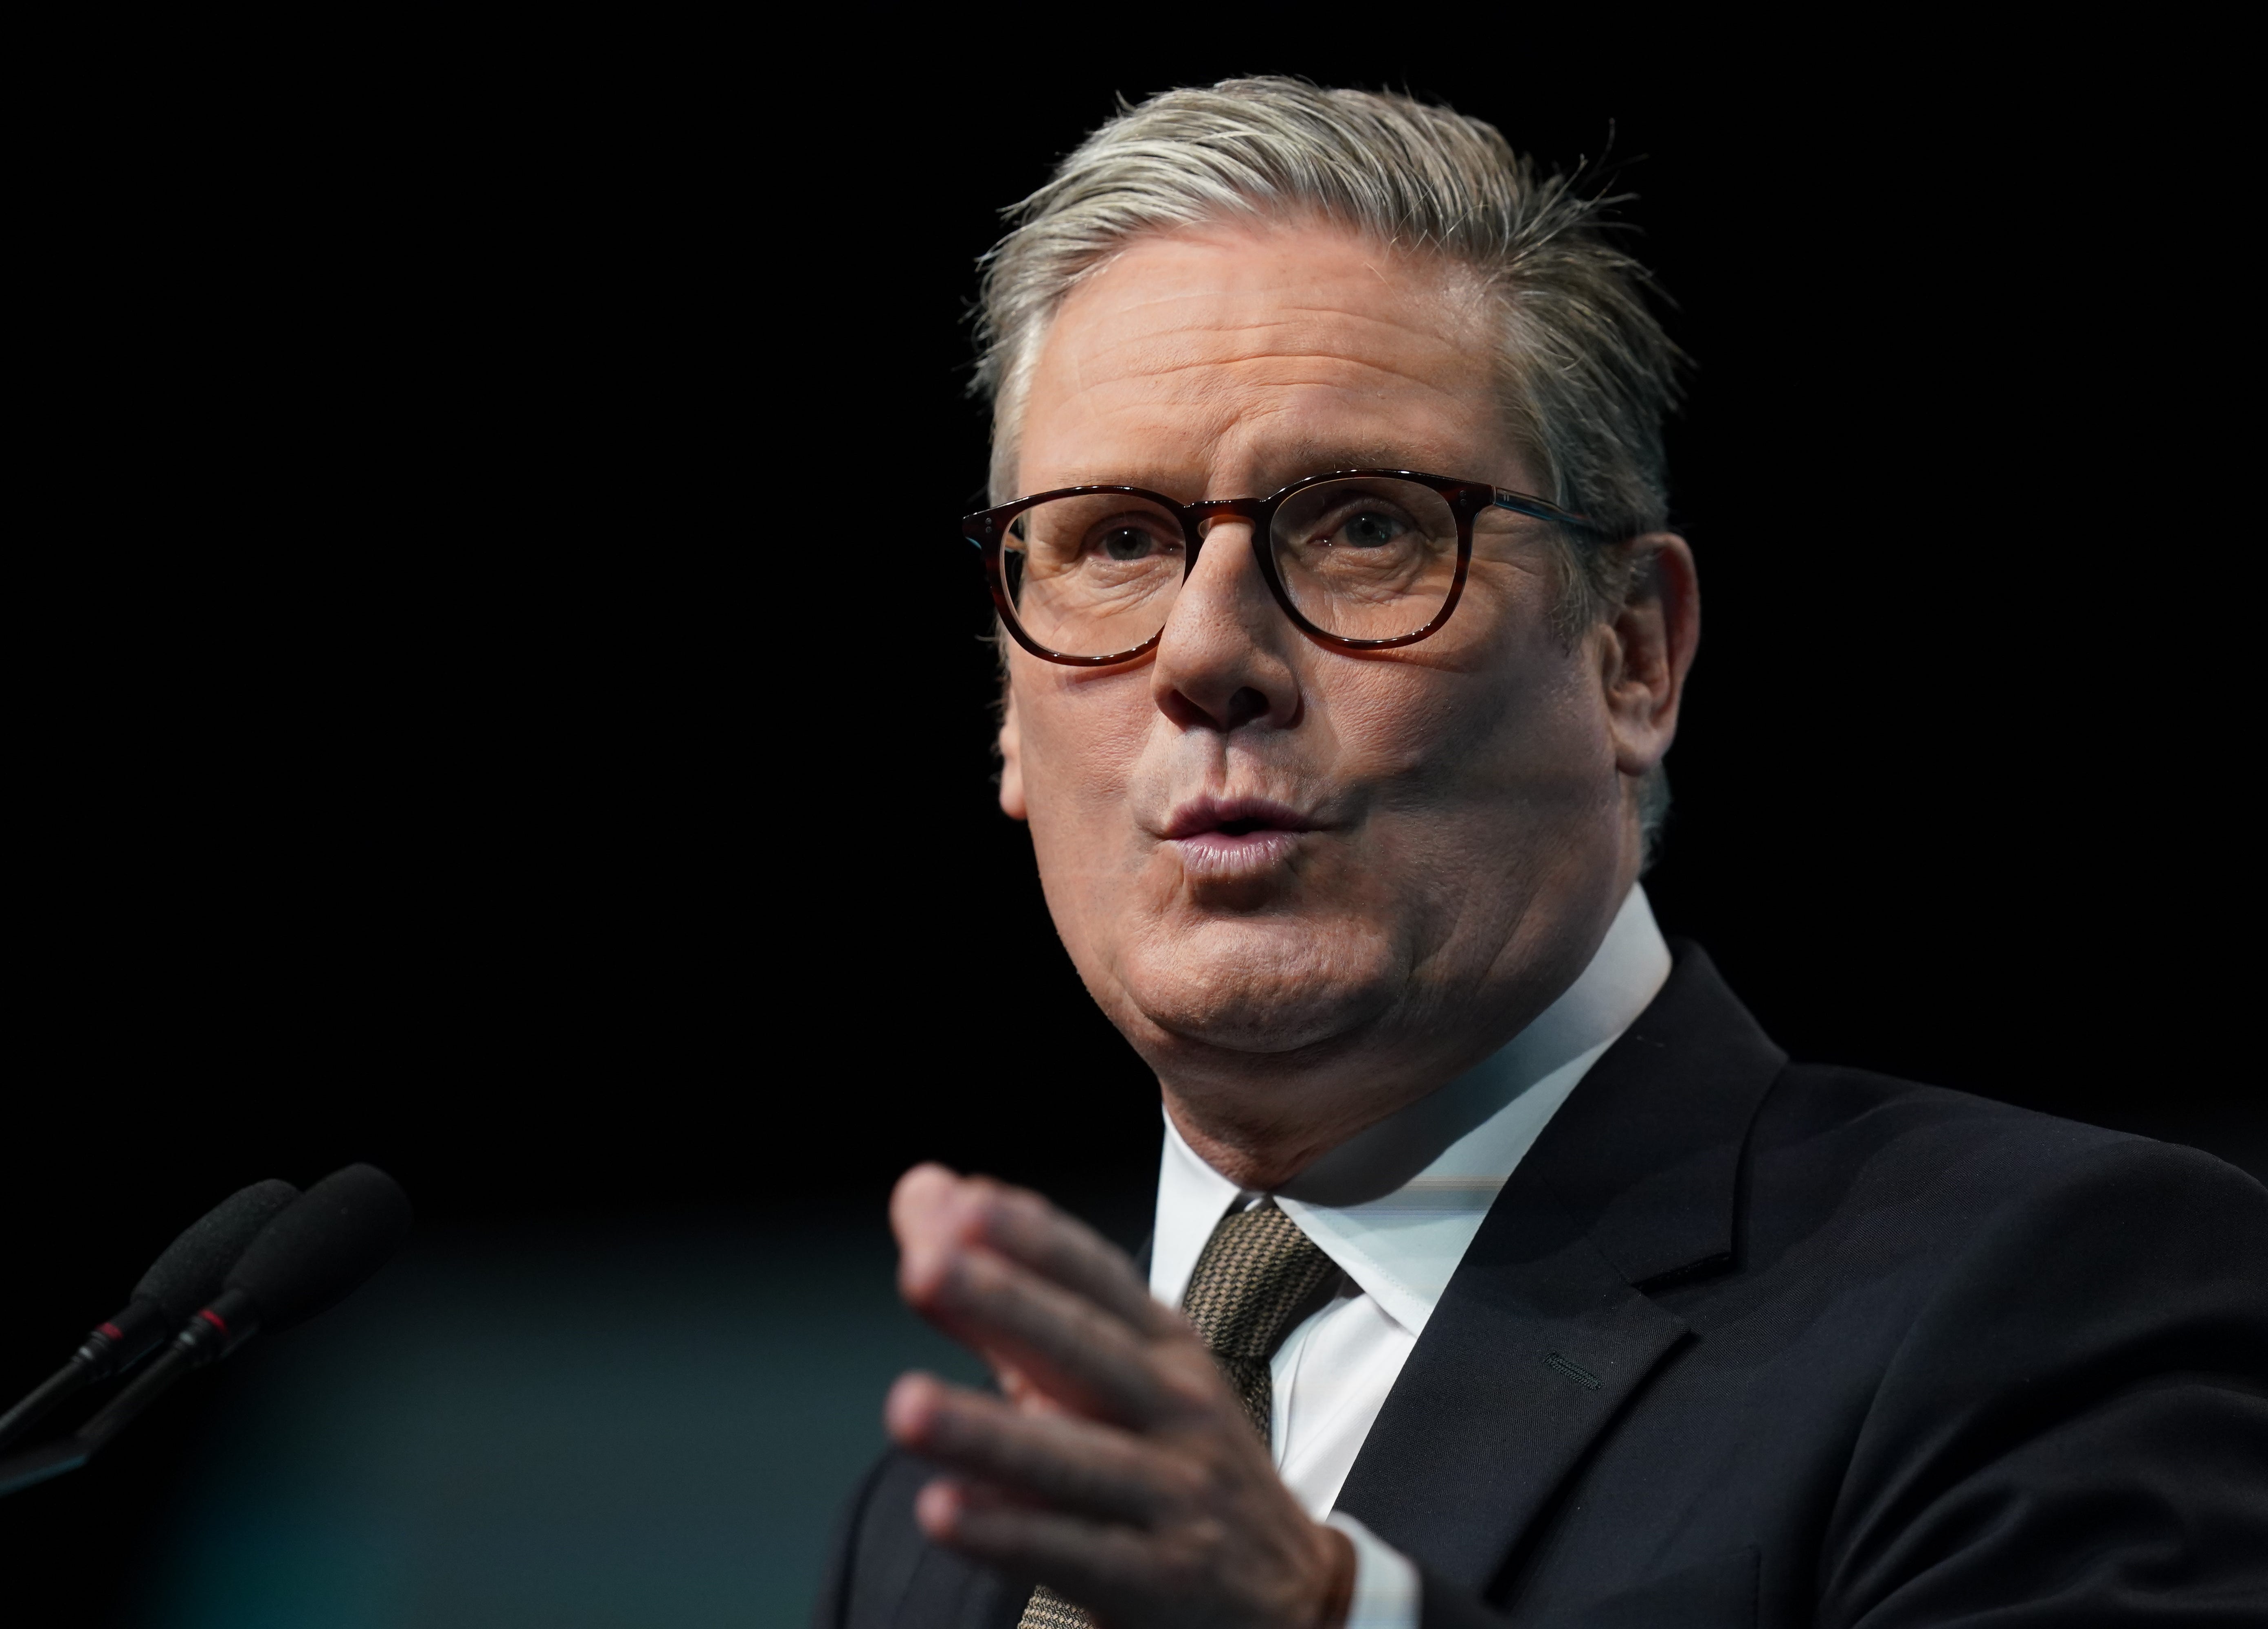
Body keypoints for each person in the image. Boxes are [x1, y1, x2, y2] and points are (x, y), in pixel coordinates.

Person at [815, 79, 2268, 1629]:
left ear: (1633, 652)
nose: (1208, 651)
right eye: (1115, 541)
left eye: (1365, 526)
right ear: (1011, 719)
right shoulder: (944, 1523)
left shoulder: (2053, 1297)